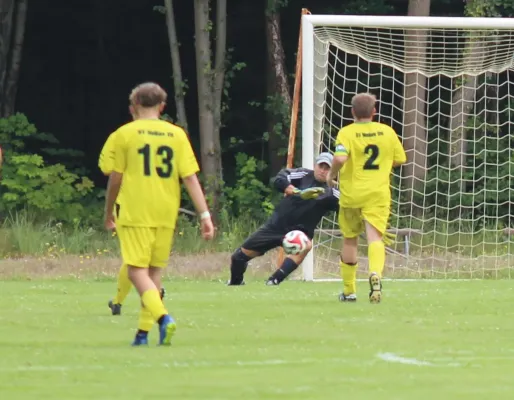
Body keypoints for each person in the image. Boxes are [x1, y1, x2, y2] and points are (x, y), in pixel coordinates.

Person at [103, 82, 214, 346]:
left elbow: (115, 178)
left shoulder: (125, 134)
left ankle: (163, 318)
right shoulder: (176, 135)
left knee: (135, 271)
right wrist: (205, 215)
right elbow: (190, 178)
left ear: (134, 106)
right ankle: (142, 334)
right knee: (153, 274)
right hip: (166, 211)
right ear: (162, 106)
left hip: (135, 210)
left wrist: (109, 211)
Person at [327, 93, 407, 303]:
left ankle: (349, 291)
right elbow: (400, 159)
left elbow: (340, 157)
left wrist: (331, 175)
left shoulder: (347, 132)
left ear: (352, 111)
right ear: (374, 111)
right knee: (375, 238)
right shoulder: (387, 131)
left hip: (352, 193)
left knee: (350, 238)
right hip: (377, 193)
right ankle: (375, 275)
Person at [228, 152, 339, 286]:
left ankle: (274, 280)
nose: (323, 171)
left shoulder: (332, 192)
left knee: (307, 245)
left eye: (327, 168)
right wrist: (293, 190)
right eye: (321, 166)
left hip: (300, 232)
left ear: (333, 171)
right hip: (276, 226)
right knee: (238, 257)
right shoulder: (303, 175)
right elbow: (280, 177)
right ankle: (235, 283)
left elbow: (347, 205)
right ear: (315, 166)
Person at [99, 129, 165, 316]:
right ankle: (151, 291)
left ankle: (122, 301)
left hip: (131, 203)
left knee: (133, 257)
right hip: (161, 202)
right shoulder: (166, 134)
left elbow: (107, 168)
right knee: (150, 256)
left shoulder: (119, 136)